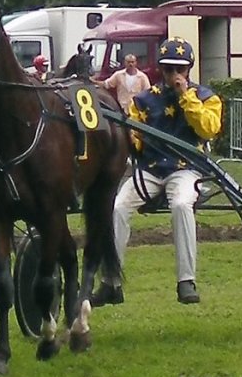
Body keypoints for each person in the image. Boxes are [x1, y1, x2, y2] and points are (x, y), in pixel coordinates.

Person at [91, 37, 223, 306]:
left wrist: (186, 97)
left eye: (180, 69)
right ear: (160, 70)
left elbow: (208, 129)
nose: (174, 75)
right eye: (167, 69)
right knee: (117, 208)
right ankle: (110, 283)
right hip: (149, 170)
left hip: (186, 169)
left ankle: (186, 280)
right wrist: (131, 137)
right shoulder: (143, 100)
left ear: (189, 69)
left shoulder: (207, 98)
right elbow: (135, 139)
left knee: (182, 205)